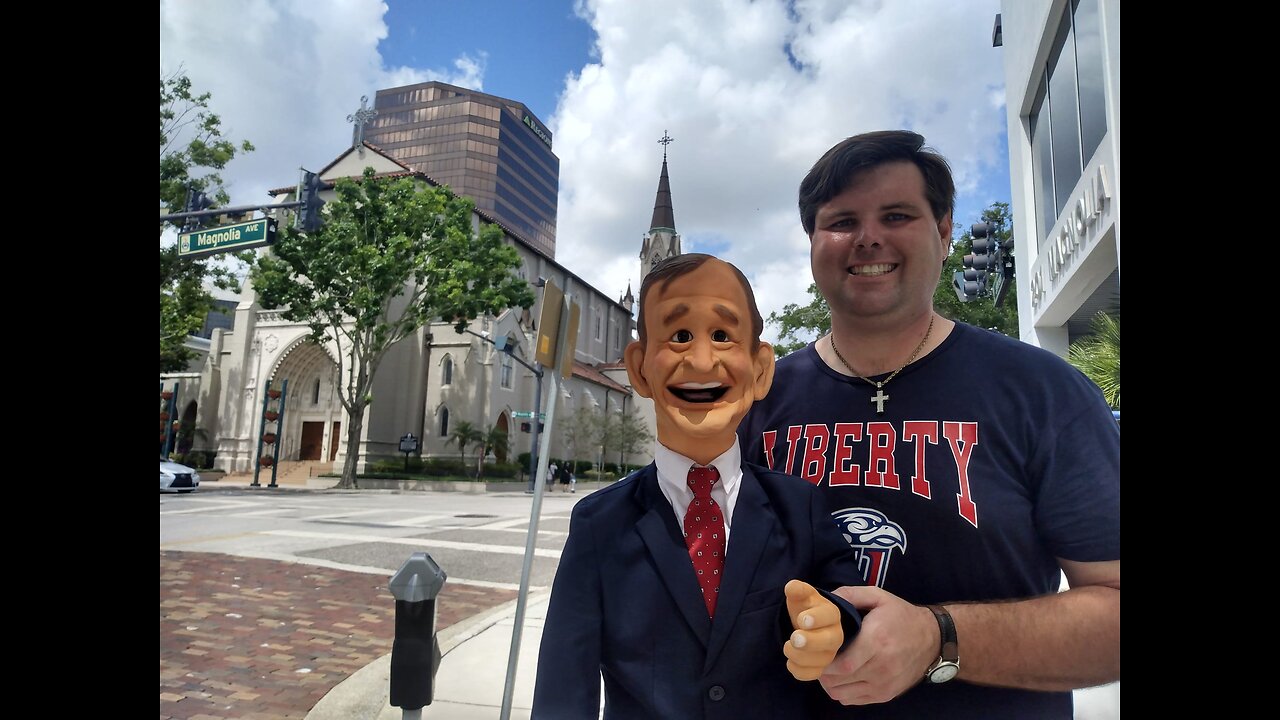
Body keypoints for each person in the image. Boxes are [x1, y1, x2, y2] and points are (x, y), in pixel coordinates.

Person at [737, 130, 1120, 719]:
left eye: (896, 215)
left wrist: (940, 638)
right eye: (841, 221)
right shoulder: (752, 405)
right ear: (813, 242)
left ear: (944, 233)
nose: (867, 238)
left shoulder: (1044, 394)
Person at [532, 254, 864, 719]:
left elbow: (849, 598)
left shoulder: (800, 506)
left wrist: (836, 622)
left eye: (724, 336)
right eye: (680, 336)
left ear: (761, 368)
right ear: (640, 367)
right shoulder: (599, 525)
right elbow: (564, 687)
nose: (703, 360)